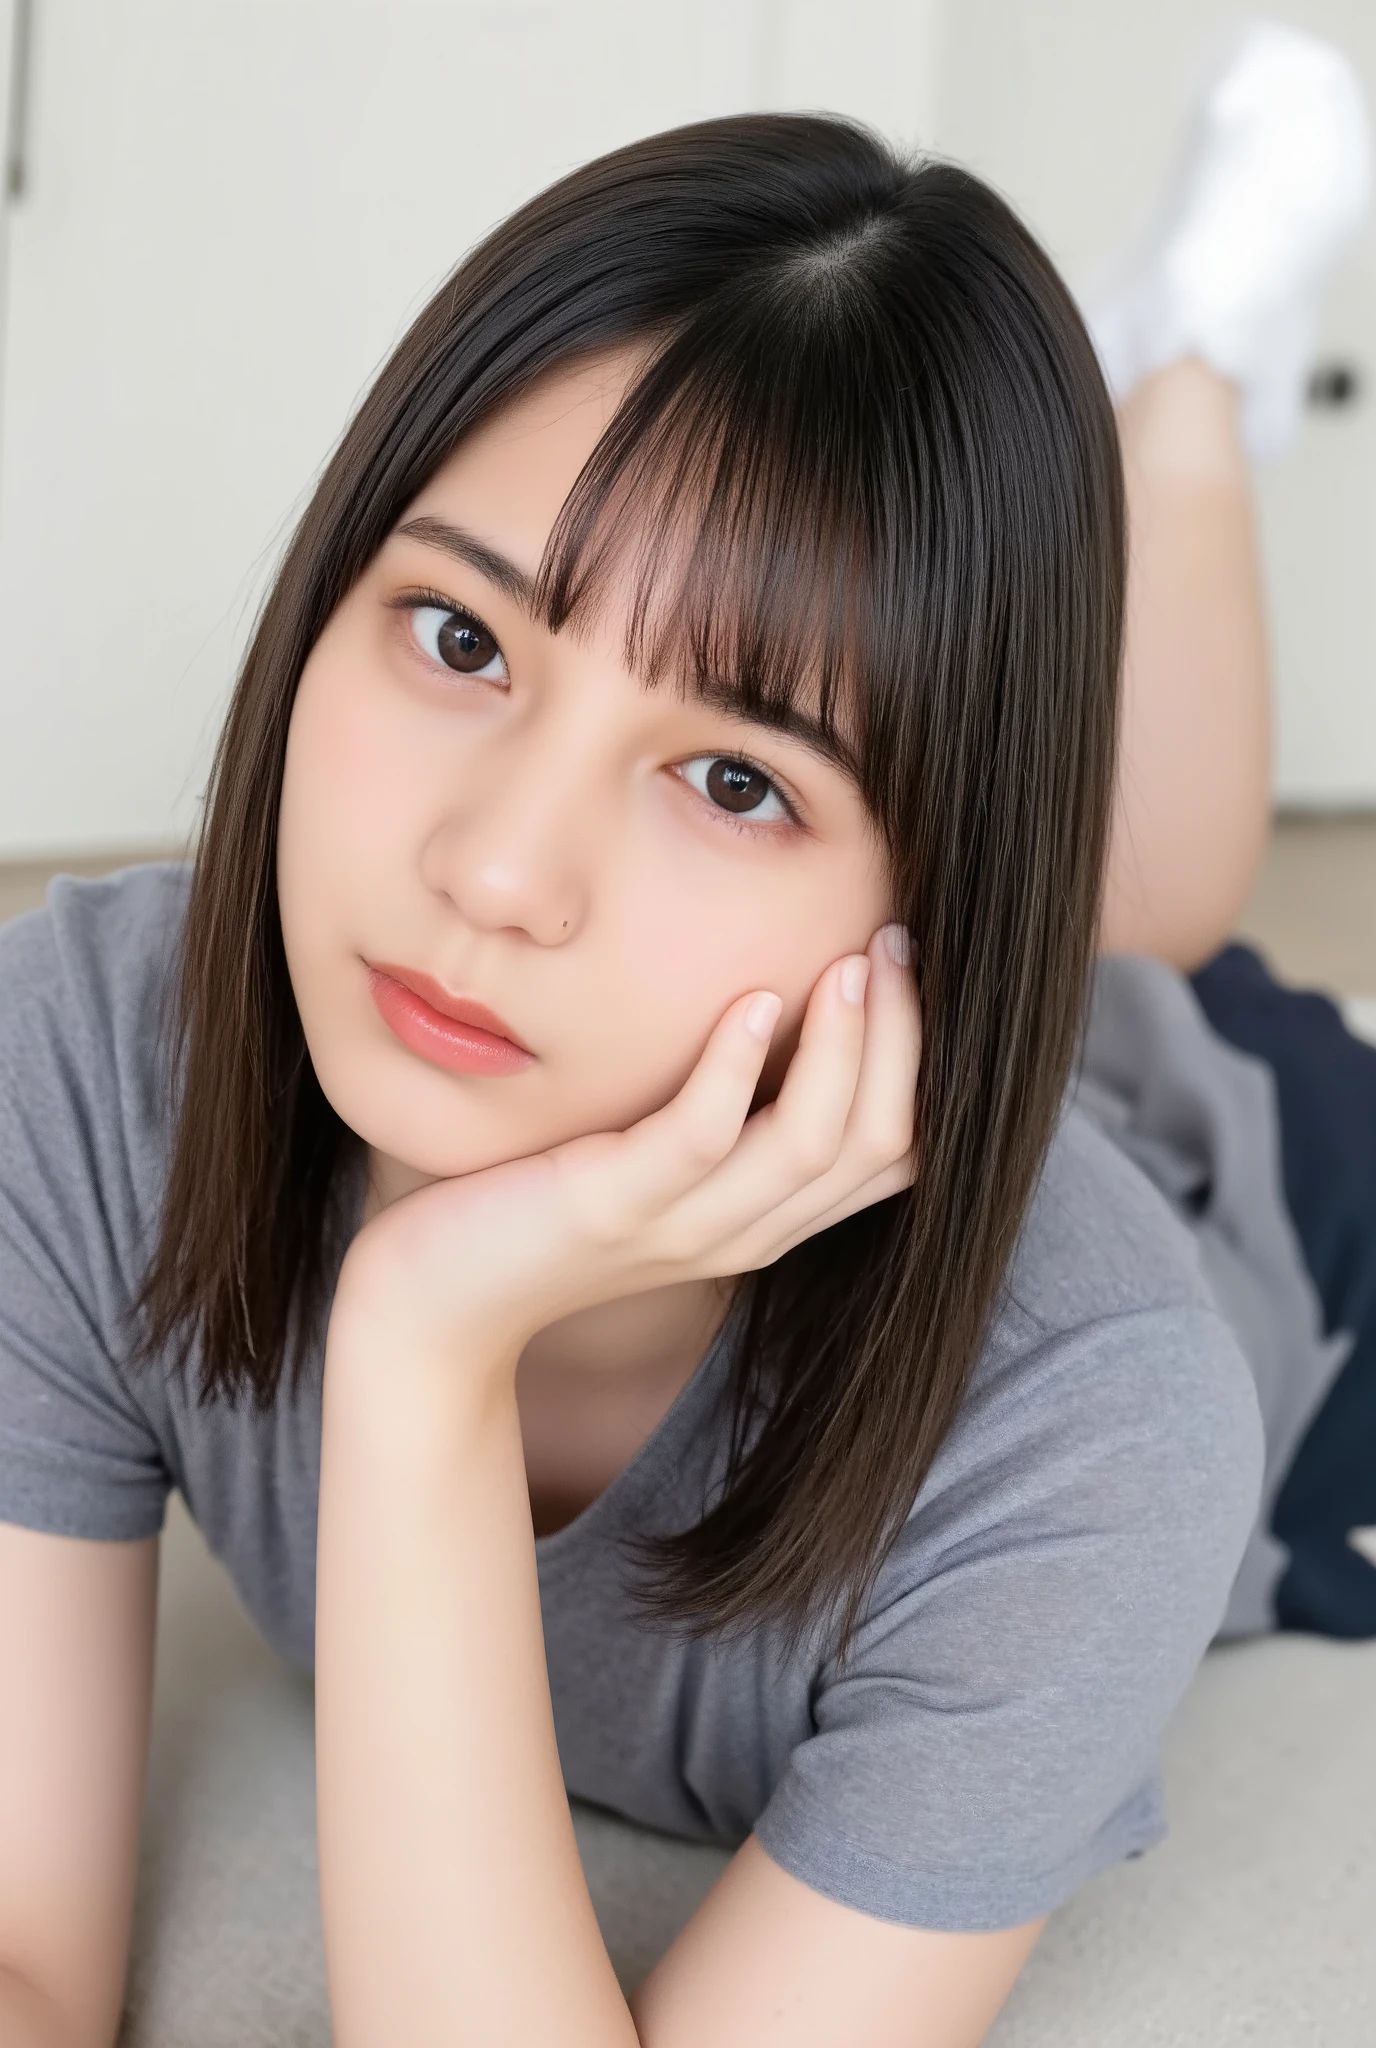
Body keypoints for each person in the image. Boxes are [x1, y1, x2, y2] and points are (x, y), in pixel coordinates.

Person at [0, 29, 1366, 2048]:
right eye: (461, 638)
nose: (493, 871)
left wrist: (421, 1343)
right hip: (866, 1003)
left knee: (1139, 907)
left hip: (1273, 1193)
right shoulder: (90, 1052)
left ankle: (1192, 367)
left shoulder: (1092, 1415)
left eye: (732, 779)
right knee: (1103, 904)